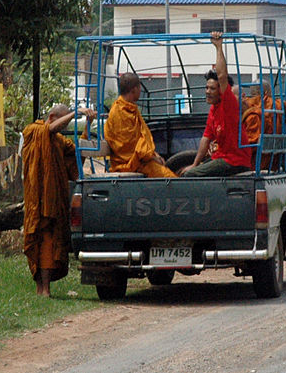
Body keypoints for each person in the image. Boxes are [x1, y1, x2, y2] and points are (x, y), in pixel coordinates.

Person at [22, 104, 96, 296]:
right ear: (53, 116)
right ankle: (41, 288)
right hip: (35, 199)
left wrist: (88, 124)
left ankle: (45, 288)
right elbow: (50, 129)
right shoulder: (33, 131)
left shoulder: (59, 141)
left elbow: (77, 153)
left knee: (49, 242)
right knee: (36, 240)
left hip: (52, 200)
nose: (64, 127)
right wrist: (75, 113)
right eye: (64, 121)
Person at [182, 31, 252, 177]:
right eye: (206, 88)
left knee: (190, 176)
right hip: (221, 158)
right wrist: (194, 164)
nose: (207, 91)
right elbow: (205, 138)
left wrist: (218, 47)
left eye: (212, 88)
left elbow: (221, 75)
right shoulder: (213, 110)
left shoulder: (228, 102)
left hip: (234, 161)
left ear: (222, 90)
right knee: (185, 171)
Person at [104, 73, 178, 178]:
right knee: (170, 179)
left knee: (169, 175)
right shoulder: (118, 112)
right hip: (128, 164)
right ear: (134, 89)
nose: (140, 91)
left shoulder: (131, 109)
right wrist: (151, 158)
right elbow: (126, 148)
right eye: (139, 88)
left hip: (141, 161)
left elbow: (140, 139)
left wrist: (154, 155)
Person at [241, 80, 286, 170]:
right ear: (266, 92)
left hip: (252, 162)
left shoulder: (246, 105)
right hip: (272, 162)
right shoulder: (278, 105)